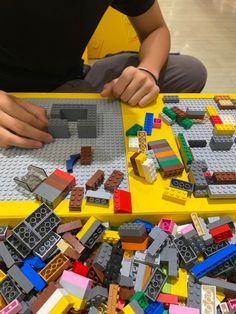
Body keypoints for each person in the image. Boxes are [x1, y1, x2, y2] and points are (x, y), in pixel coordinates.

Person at [0, 0, 207, 149]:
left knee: (190, 72)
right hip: (8, 96)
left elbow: (155, 28)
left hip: (70, 80)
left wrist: (147, 71)